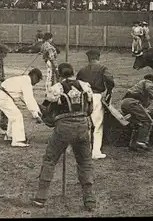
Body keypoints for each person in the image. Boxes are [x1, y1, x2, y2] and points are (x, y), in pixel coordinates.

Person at [33, 63, 96, 211]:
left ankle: (41, 198)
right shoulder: (85, 85)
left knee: (49, 160)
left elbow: (46, 109)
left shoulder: (56, 88)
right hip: (82, 126)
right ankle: (89, 200)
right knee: (85, 162)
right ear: (73, 73)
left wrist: (48, 119)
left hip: (64, 128)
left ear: (59, 74)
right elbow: (90, 109)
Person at [76, 49, 115, 159]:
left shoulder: (82, 70)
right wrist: (109, 91)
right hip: (97, 96)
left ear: (88, 58)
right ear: (98, 57)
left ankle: (85, 150)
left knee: (86, 124)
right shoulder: (103, 68)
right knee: (97, 125)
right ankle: (96, 151)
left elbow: (77, 83)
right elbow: (110, 80)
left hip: (84, 97)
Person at [0, 68, 43, 147]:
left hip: (1, 95)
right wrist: (36, 115)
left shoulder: (24, 80)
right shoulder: (26, 82)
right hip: (2, 96)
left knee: (13, 116)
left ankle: (10, 135)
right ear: (34, 76)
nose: (36, 83)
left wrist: (37, 111)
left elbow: (25, 99)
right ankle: (17, 140)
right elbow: (29, 99)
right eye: (38, 80)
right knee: (17, 116)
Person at [120, 74, 153, 152]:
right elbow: (150, 88)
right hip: (133, 103)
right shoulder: (148, 82)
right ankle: (141, 142)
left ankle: (133, 145)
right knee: (148, 121)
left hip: (125, 103)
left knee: (138, 124)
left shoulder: (139, 85)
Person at [40, 33, 59, 97]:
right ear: (49, 38)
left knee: (49, 77)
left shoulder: (43, 45)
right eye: (51, 38)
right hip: (50, 62)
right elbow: (51, 57)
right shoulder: (49, 46)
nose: (52, 39)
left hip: (47, 62)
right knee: (51, 77)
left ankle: (48, 91)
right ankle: (49, 91)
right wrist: (55, 66)